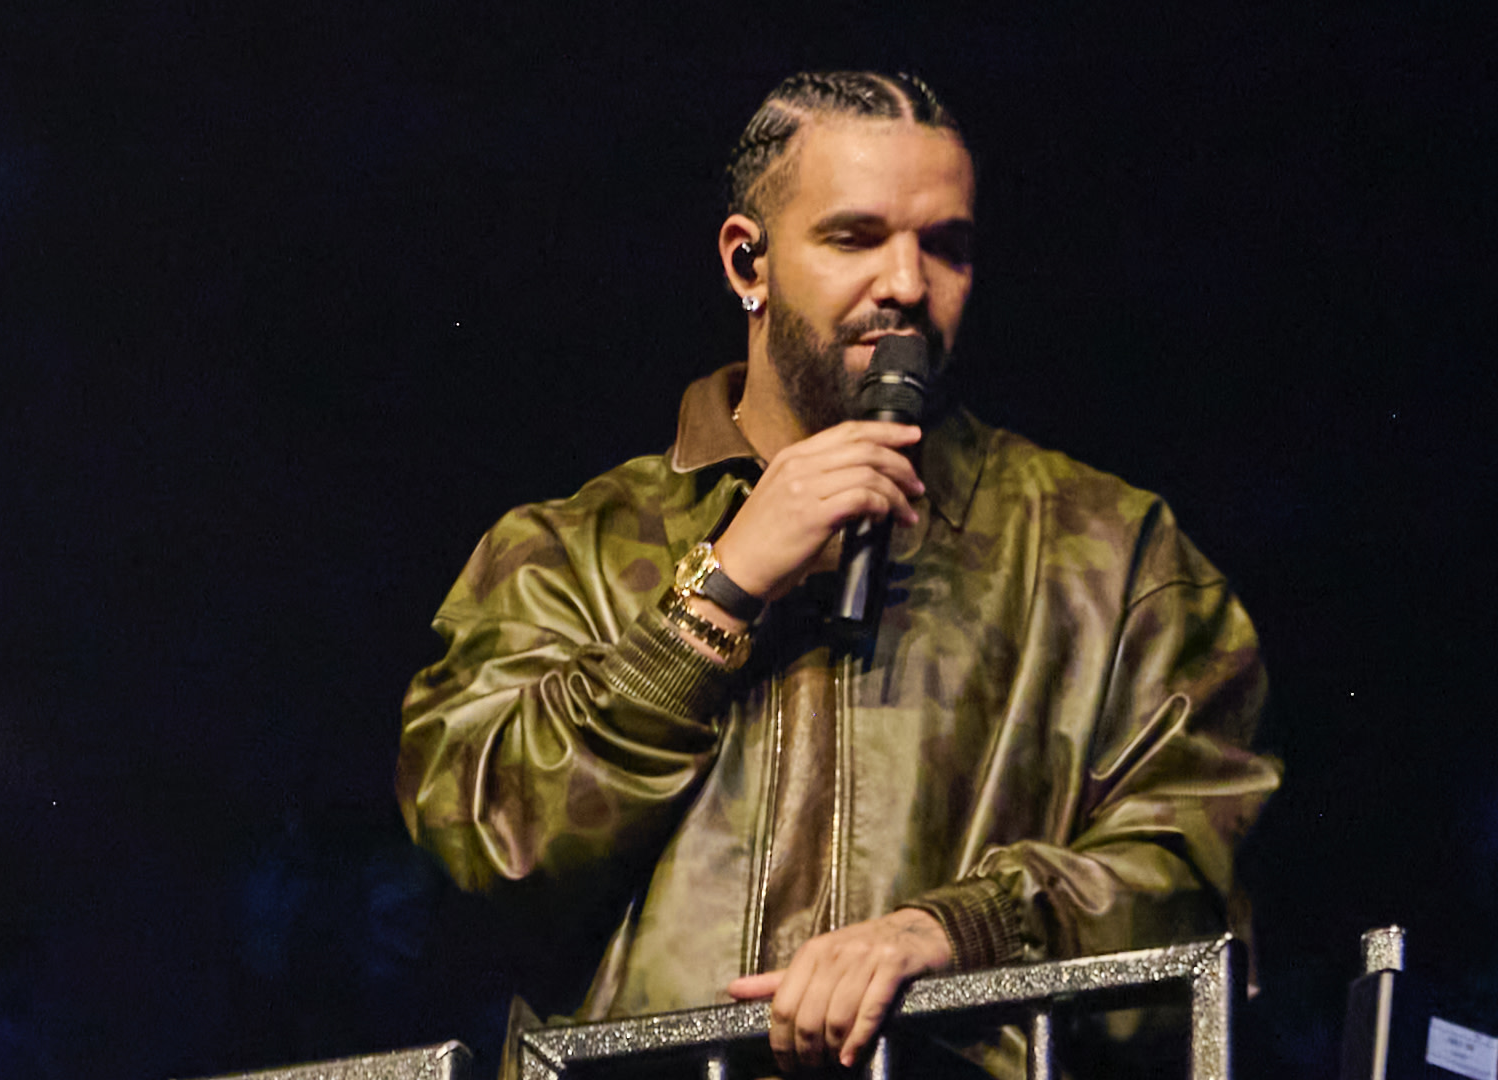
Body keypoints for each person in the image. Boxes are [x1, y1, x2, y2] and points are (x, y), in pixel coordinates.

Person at [398, 70, 1281, 1077]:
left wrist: (956, 934)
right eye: (856, 238)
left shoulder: (1115, 555)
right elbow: (484, 843)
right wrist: (719, 591)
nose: (907, 282)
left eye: (943, 246)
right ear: (748, 261)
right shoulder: (568, 548)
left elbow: (1196, 887)